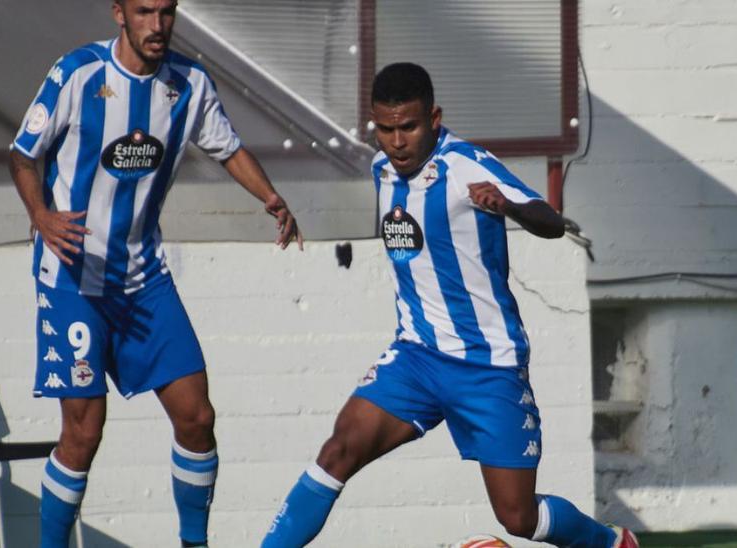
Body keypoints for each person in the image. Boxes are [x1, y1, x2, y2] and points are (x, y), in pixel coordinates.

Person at [260, 63, 638, 548]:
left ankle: (610, 544)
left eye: (409, 127)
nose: (397, 141)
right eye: (386, 129)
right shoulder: (381, 169)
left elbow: (550, 221)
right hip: (416, 358)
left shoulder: (467, 165)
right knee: (338, 451)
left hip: (488, 365)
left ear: (434, 118)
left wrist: (509, 206)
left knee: (518, 519)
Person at [8, 0, 303, 546]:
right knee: (83, 433)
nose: (158, 25)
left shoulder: (188, 83)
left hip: (144, 280)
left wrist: (271, 197)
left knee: (197, 417)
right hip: (73, 279)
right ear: (118, 13)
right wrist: (41, 217)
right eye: (145, 12)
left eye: (167, 12)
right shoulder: (77, 73)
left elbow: (227, 147)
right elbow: (23, 156)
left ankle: (195, 542)